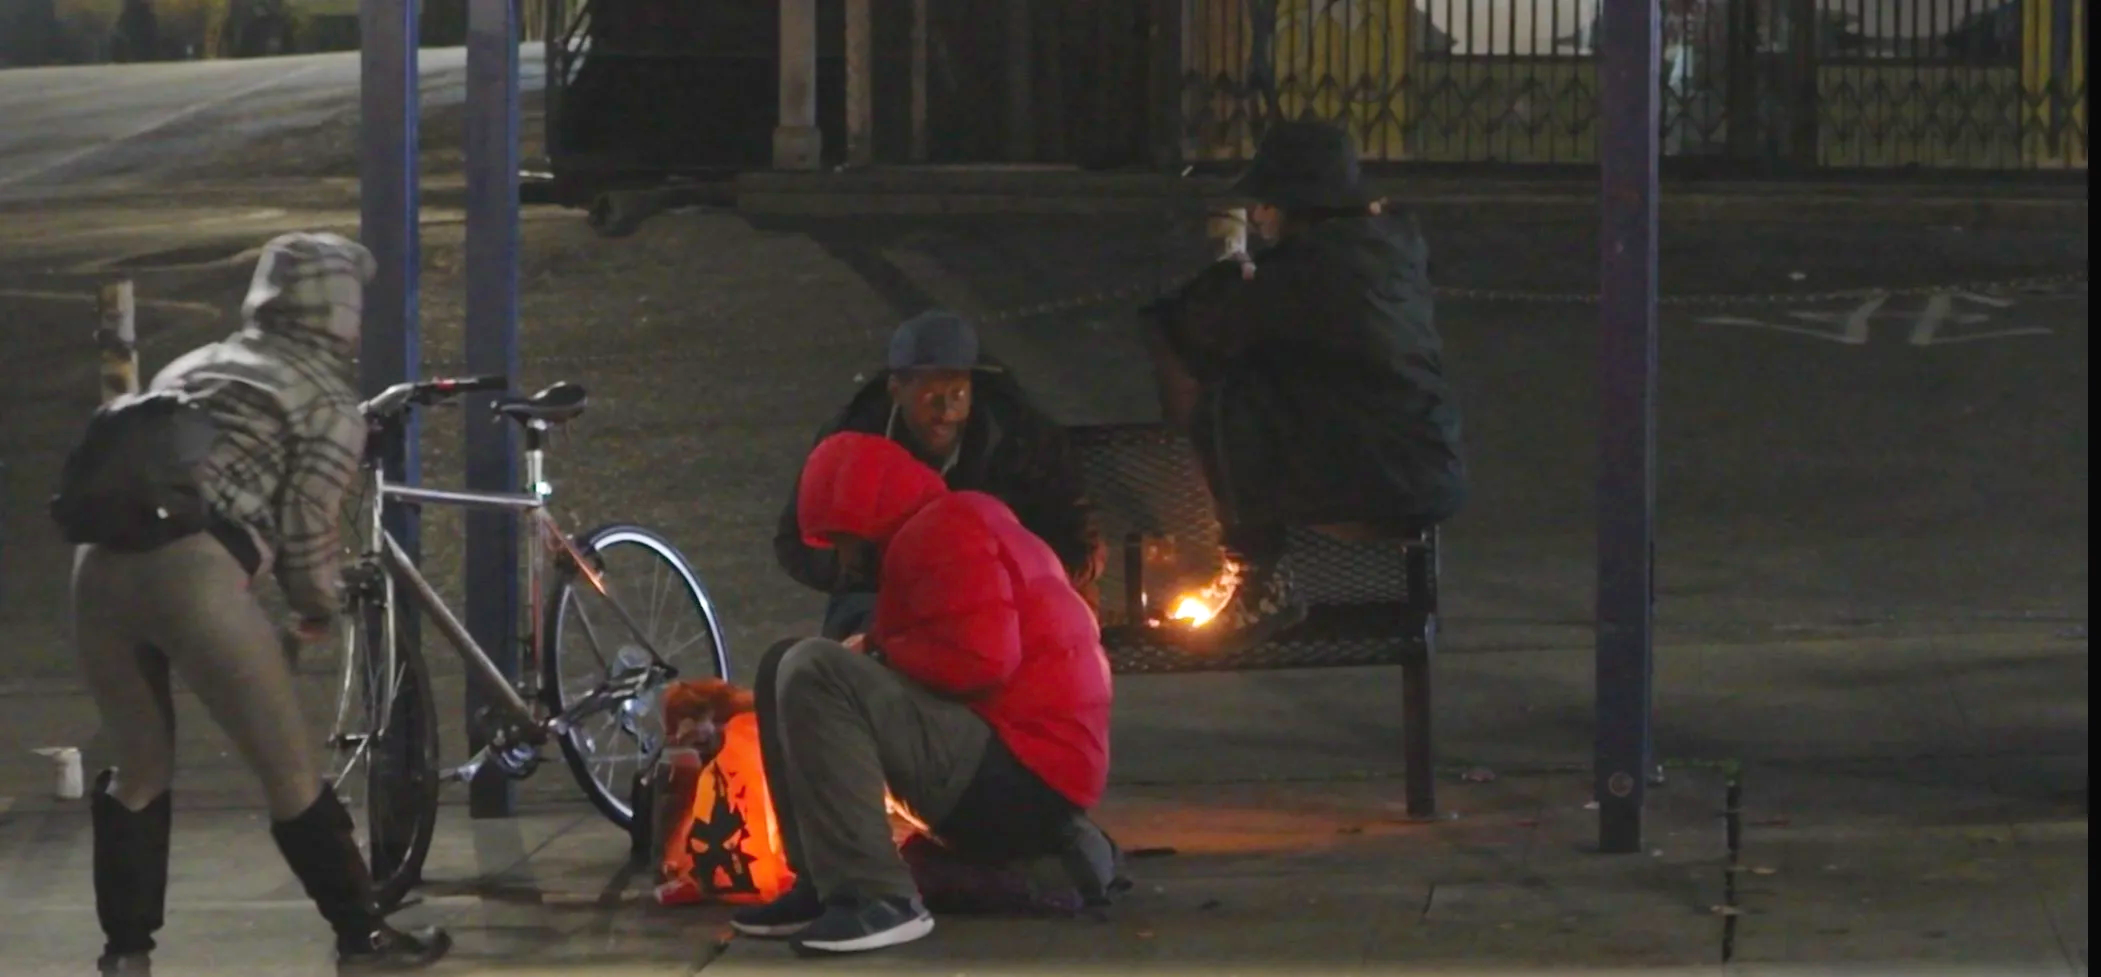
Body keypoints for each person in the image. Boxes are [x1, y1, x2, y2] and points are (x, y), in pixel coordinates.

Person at [62, 233, 450, 973]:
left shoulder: (195, 362)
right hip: (195, 575)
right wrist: (316, 604)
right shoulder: (328, 400)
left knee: (138, 767)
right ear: (339, 310)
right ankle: (363, 938)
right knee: (289, 770)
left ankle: (126, 953)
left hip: (99, 570)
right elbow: (308, 526)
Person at [735, 432, 1114, 955]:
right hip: (1026, 769)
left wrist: (880, 652)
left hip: (1026, 778)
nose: (842, 561)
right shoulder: (951, 524)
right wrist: (878, 648)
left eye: (842, 541)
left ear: (863, 519)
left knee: (813, 666)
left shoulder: (941, 531)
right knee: (785, 660)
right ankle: (823, 885)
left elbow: (982, 661)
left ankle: (878, 898)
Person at [1141, 121, 1467, 653]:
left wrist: (1229, 259)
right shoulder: (1390, 250)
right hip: (1431, 468)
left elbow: (1197, 324)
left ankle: (1258, 578)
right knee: (1261, 374)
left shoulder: (1311, 270)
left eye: (1267, 204)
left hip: (1374, 480)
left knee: (1227, 394)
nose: (1261, 216)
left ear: (1294, 204)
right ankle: (1252, 570)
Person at [774, 309, 1103, 639]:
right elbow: (795, 541)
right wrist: (855, 568)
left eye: (957, 395)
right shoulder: (848, 441)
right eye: (929, 396)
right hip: (885, 596)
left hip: (998, 597)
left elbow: (1079, 539)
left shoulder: (1021, 438)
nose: (945, 412)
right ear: (896, 389)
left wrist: (1012, 579)